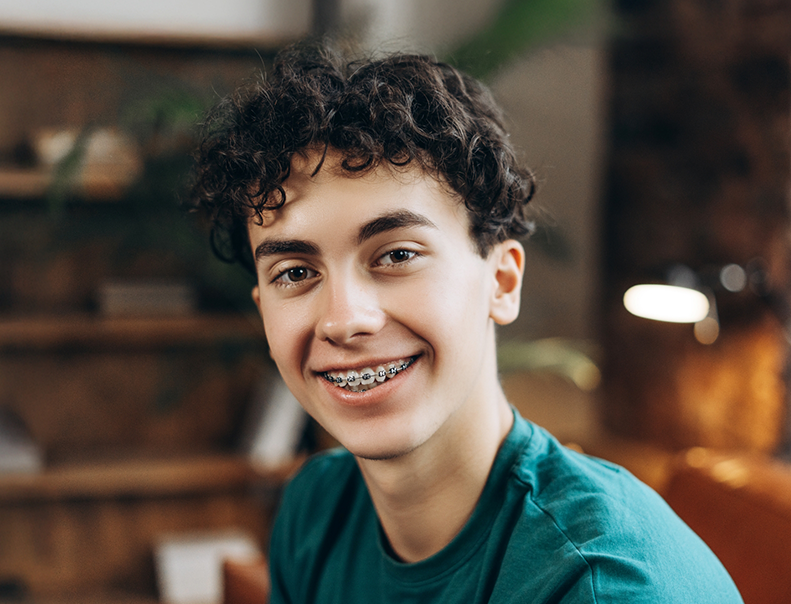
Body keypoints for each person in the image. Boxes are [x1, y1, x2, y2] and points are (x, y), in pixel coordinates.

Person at [188, 43, 742, 603]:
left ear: (501, 282)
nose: (344, 320)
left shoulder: (601, 584)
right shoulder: (318, 507)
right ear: (263, 310)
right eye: (296, 271)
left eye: (397, 255)